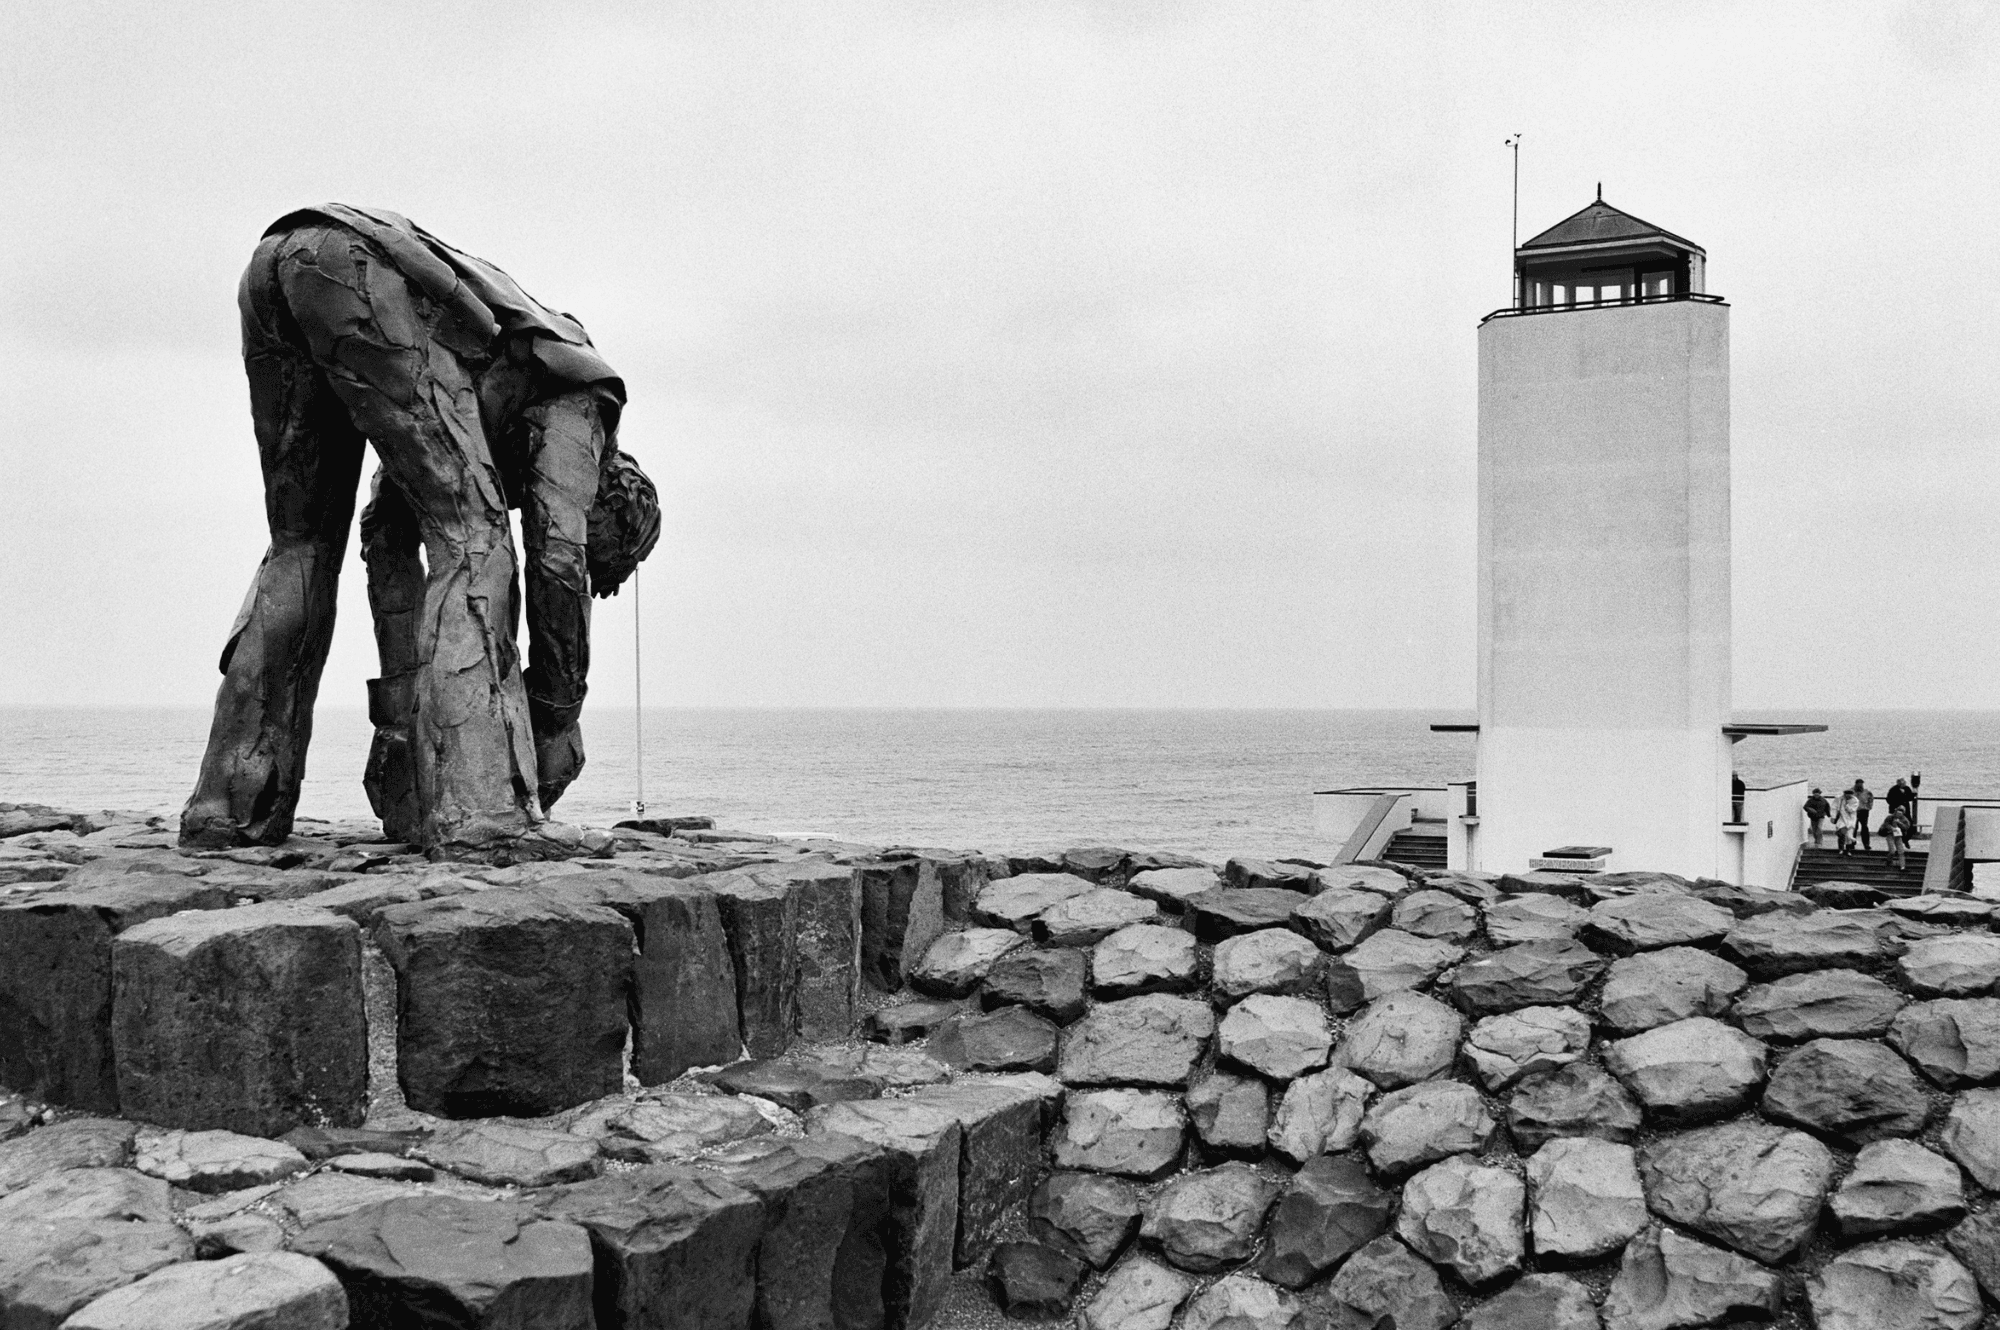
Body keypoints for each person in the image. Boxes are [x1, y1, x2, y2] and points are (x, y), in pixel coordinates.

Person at [181, 204, 658, 859]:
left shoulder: (489, 404)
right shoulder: (585, 402)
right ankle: (487, 813)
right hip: (358, 266)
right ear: (617, 509)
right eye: (614, 567)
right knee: (475, 536)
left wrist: (403, 729)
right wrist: (556, 713)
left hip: (279, 260)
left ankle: (230, 808)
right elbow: (557, 565)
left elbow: (385, 535)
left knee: (300, 546)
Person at [1883, 806, 1912, 873]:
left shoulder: (1904, 819)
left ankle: (1902, 867)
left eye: (1900, 813)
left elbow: (1906, 827)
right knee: (1892, 851)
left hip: (1898, 836)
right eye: (1898, 813)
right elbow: (1886, 824)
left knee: (1901, 851)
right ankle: (1889, 860)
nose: (1898, 815)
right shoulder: (1890, 817)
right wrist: (1891, 828)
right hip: (1890, 835)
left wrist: (1900, 823)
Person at [1851, 779, 1875, 851]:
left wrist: (1869, 807)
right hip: (1853, 811)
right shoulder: (1850, 792)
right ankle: (1852, 843)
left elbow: (1871, 799)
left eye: (1861, 784)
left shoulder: (1867, 792)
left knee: (1864, 827)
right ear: (1855, 784)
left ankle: (1866, 844)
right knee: (1853, 828)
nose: (1860, 786)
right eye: (1858, 784)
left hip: (1864, 811)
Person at [1834, 787, 1859, 855]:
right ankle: (1841, 849)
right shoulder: (1841, 799)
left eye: (1849, 795)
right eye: (1846, 794)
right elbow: (1835, 806)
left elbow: (1851, 810)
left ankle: (1849, 850)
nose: (1847, 796)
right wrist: (1833, 816)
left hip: (1851, 820)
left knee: (1849, 835)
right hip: (1842, 818)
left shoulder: (1855, 800)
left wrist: (1847, 805)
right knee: (1841, 833)